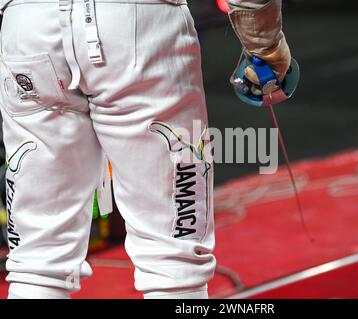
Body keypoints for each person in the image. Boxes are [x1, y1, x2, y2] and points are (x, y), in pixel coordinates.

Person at [0, 0, 291, 299]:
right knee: (172, 261)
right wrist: (264, 44)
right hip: (140, 25)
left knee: (37, 261)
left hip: (28, 27)